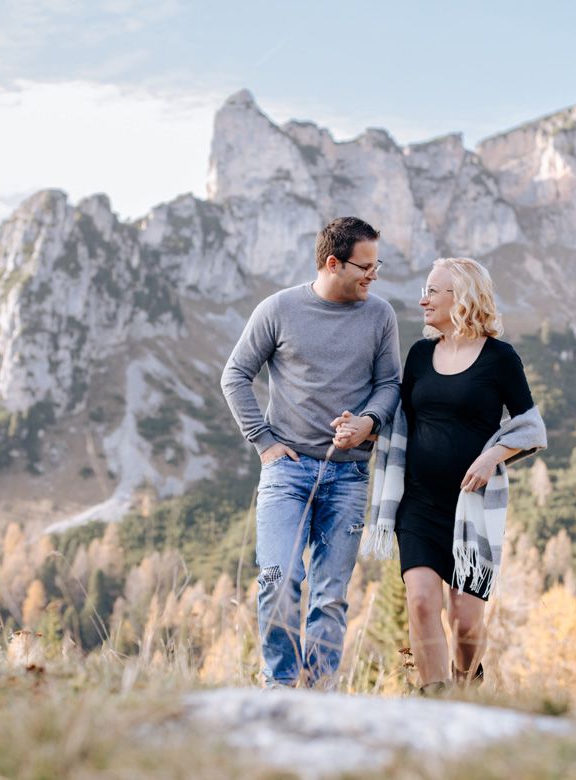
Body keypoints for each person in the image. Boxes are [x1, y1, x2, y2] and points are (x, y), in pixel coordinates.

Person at [221, 216, 401, 688]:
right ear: (332, 263)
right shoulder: (279, 309)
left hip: (349, 477)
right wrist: (263, 442)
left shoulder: (380, 315)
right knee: (277, 580)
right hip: (287, 472)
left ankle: (320, 693)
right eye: (365, 266)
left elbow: (389, 385)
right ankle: (279, 689)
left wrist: (368, 423)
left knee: (330, 597)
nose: (373, 274)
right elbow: (235, 375)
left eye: (376, 264)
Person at [357, 257, 546, 692]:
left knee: (465, 622)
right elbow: (397, 417)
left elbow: (531, 426)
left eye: (433, 290)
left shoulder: (500, 359)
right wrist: (362, 424)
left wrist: (492, 455)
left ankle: (467, 686)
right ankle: (433, 698)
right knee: (422, 601)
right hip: (417, 503)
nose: (423, 298)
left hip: (472, 510)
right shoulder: (421, 354)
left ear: (460, 297)